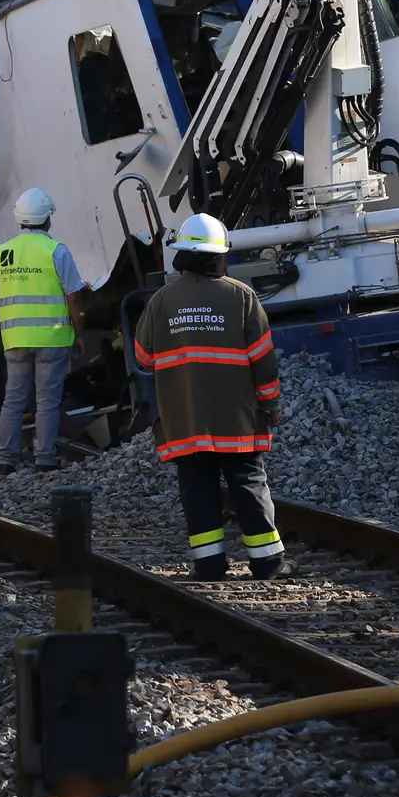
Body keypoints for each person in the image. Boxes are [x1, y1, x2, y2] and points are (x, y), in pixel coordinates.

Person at [134, 213, 290, 580]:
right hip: (235, 419)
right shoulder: (242, 297)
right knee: (249, 484)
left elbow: (143, 358)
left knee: (197, 489)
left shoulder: (161, 302)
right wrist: (270, 404)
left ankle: (208, 564)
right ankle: (268, 563)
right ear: (220, 255)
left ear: (182, 256)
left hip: (184, 419)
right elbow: (264, 362)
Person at [0, 187, 89, 475]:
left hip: (16, 338)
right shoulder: (57, 251)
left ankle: (5, 460)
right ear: (48, 219)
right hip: (53, 338)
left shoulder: (1, 252)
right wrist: (80, 333)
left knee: (14, 398)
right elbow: (73, 297)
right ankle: (44, 458)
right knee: (47, 399)